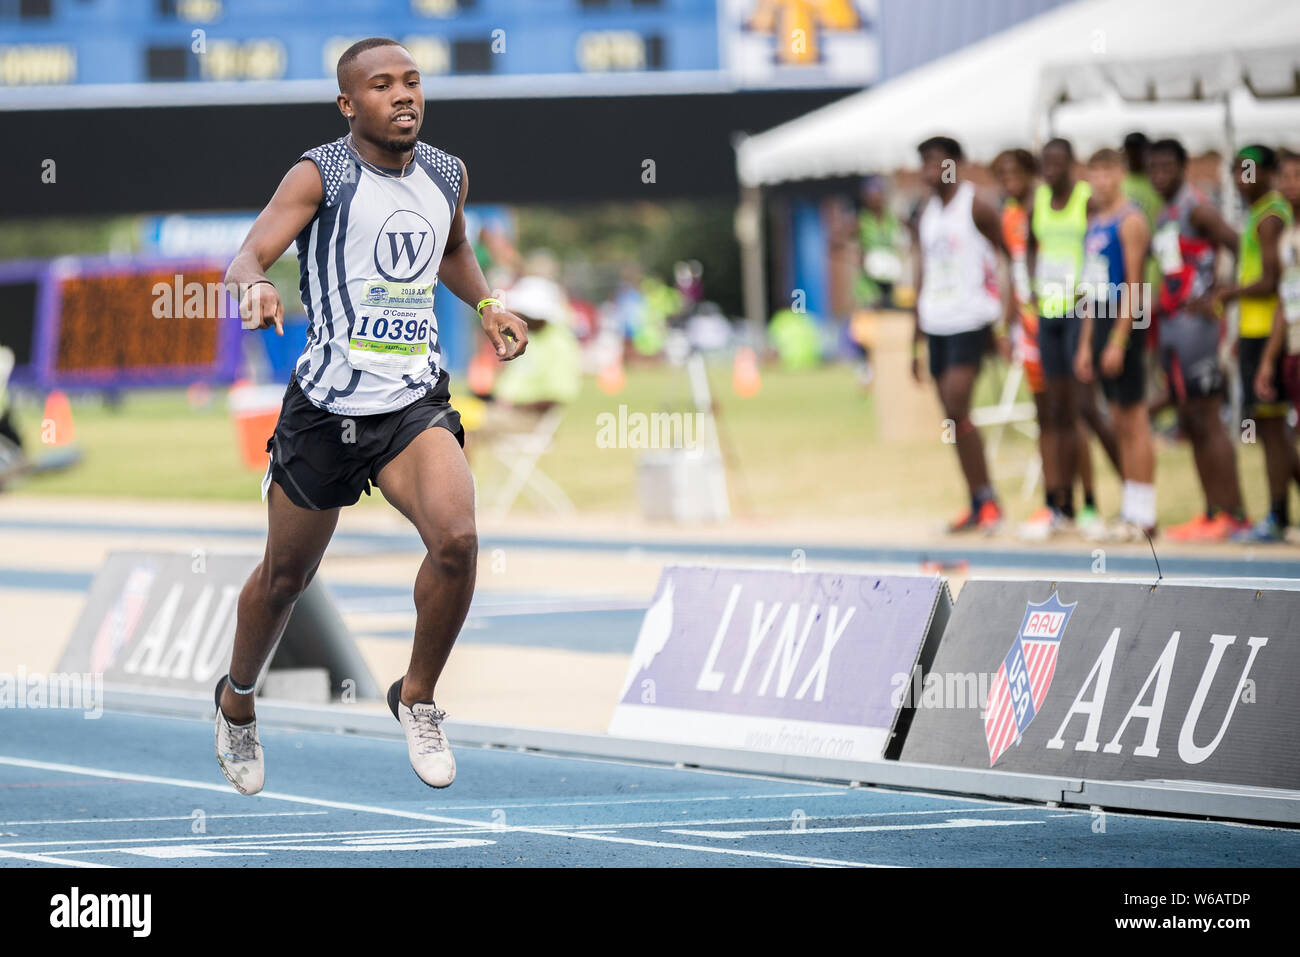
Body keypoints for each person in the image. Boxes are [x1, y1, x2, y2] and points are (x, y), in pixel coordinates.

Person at [214, 37, 529, 795]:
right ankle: (238, 701)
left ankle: (416, 696)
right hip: (326, 408)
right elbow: (244, 259)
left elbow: (452, 245)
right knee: (286, 576)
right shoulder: (320, 173)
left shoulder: (447, 174)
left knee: (458, 540)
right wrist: (255, 288)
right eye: (382, 86)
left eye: (412, 82)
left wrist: (487, 303)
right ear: (349, 104)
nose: (403, 96)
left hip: (411, 405)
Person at [911, 135, 1015, 534]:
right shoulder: (926, 213)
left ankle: (989, 501)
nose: (928, 170)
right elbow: (921, 271)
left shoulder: (976, 205)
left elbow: (1008, 254)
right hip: (936, 321)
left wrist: (1004, 319)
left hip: (971, 320)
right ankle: (977, 500)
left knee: (958, 404)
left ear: (955, 164)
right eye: (923, 162)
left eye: (936, 161)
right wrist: (913, 338)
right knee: (953, 418)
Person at [1148, 138, 1249, 541]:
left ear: (1183, 167)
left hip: (1199, 330)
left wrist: (1219, 294)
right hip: (1172, 325)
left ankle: (1235, 512)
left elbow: (1243, 247)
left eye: (1167, 168)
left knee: (1208, 418)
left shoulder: (1198, 208)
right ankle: (1212, 511)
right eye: (1153, 168)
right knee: (1189, 418)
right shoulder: (1164, 213)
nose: (1159, 175)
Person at [1024, 137, 1117, 539]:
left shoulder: (1086, 200)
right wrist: (1032, 280)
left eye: (1058, 163)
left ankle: (1096, 502)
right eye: (1046, 163)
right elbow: (1031, 244)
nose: (1051, 169)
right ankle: (1059, 504)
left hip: (1080, 312)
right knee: (1055, 412)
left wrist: (1089, 292)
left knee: (1083, 409)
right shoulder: (1038, 201)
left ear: (1071, 164)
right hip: (1048, 312)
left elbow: (1098, 249)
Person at [1075, 149, 1157, 539]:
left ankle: (1145, 512)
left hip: (1126, 323)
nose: (1102, 180)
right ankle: (1129, 508)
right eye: (1096, 172)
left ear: (1121, 173)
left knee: (1135, 418)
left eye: (1109, 171)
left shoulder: (1130, 221)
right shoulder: (1095, 223)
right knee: (1118, 420)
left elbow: (1135, 285)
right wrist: (1087, 344)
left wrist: (1119, 341)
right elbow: (1092, 291)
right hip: (1101, 321)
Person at [1217, 145, 1297, 542]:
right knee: (1270, 428)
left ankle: (1278, 515)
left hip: (1271, 333)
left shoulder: (1270, 218)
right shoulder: (1259, 215)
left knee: (1271, 429)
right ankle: (1279, 513)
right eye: (1235, 171)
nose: (1239, 179)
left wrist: (1227, 294)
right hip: (1256, 332)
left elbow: (1271, 283)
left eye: (1248, 171)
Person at [1254, 150, 1300, 431]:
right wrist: (1268, 361)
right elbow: (1286, 302)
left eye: (1297, 176)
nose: (1290, 183)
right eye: (1284, 176)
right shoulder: (1286, 237)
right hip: (1294, 349)